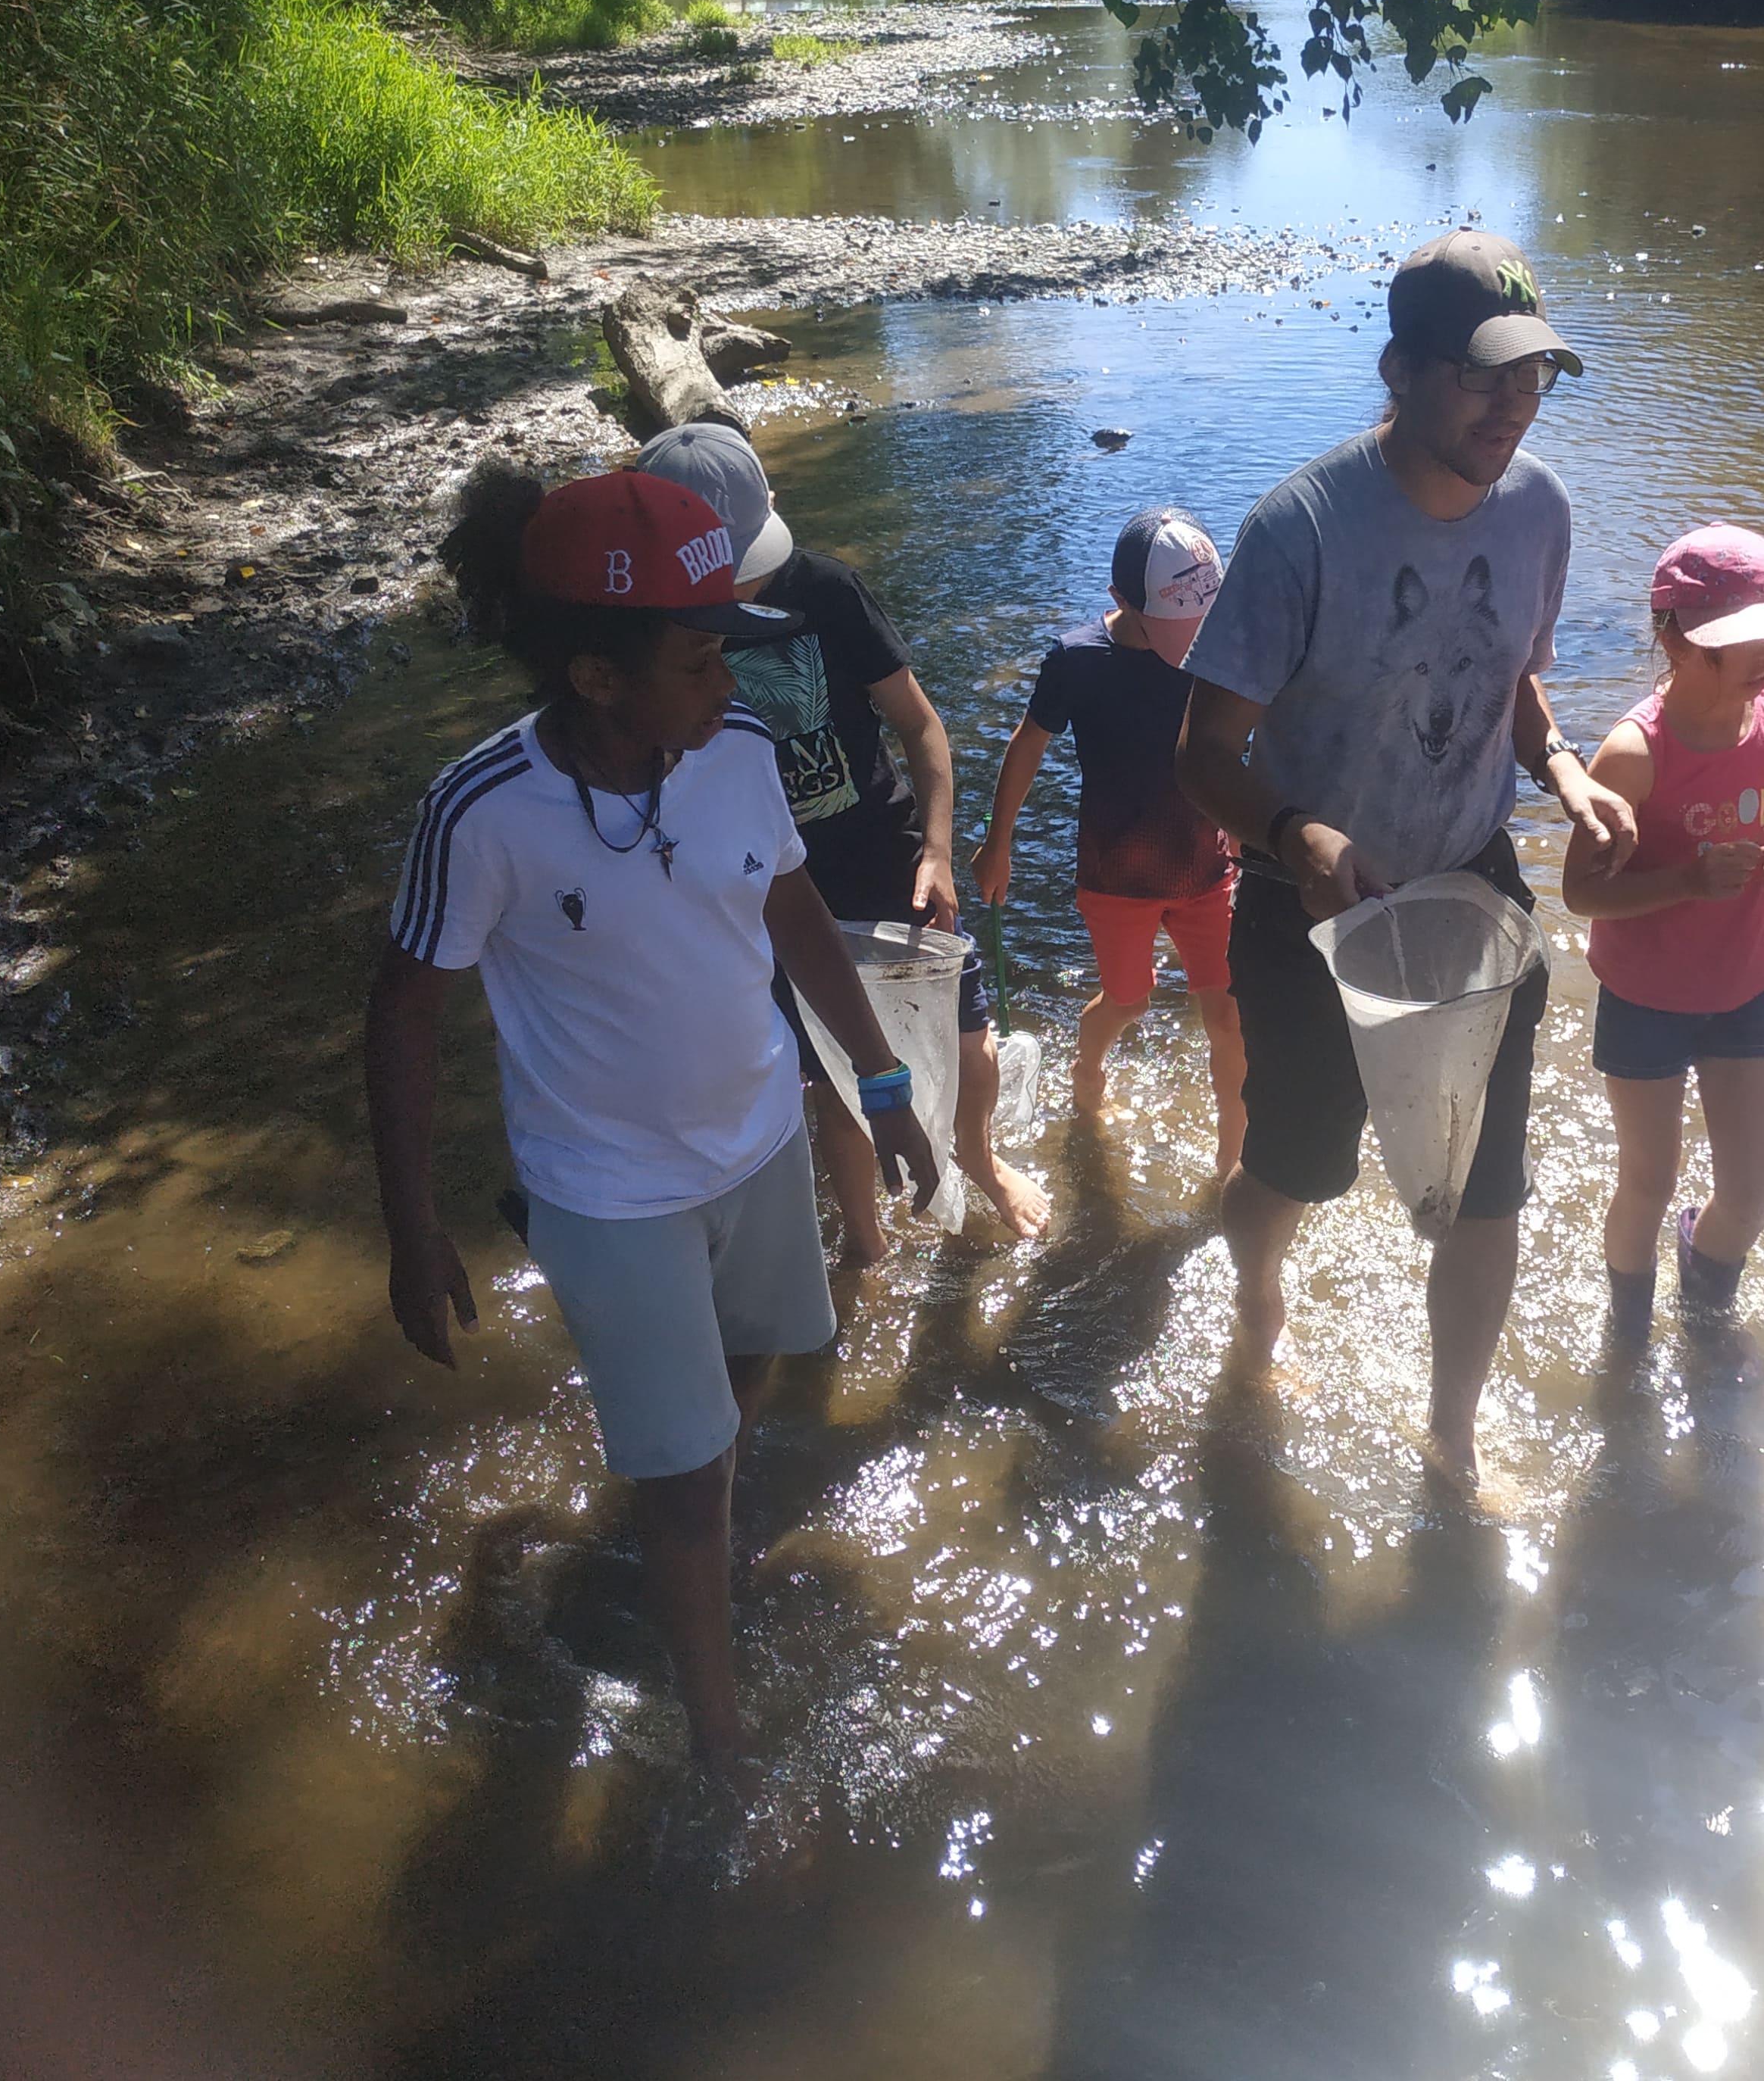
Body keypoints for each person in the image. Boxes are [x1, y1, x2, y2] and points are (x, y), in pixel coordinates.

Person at [364, 466, 941, 1777]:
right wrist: (414, 1230)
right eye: (699, 662)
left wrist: (882, 1081)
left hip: (760, 1141)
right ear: (597, 678)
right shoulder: (482, 812)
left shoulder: (733, 755)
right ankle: (722, 1745)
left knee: (747, 1384)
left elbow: (792, 911)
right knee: (689, 1486)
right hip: (608, 1192)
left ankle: (688, 1504)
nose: (730, 688)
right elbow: (402, 1016)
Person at [1177, 226, 1638, 1488]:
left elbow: (1516, 684)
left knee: (1488, 1189)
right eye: (1484, 375)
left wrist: (1568, 771)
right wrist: (1294, 830)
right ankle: (1257, 1296)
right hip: (1308, 902)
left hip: (1471, 883)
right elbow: (1202, 750)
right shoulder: (1302, 530)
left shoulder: (1540, 503)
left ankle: (1449, 1430)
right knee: (1296, 1168)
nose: (1513, 404)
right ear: (1400, 372)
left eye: (1532, 375)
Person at [633, 420, 1051, 1257]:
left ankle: (978, 1154)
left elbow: (921, 728)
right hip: (765, 889)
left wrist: (936, 849)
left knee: (968, 1042)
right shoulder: (654, 636)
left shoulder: (825, 591)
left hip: (883, 856)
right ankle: (864, 1240)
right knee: (835, 1070)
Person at [1561, 526, 1764, 1353]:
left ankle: (1703, 1307)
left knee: (1751, 1191)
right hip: (1644, 996)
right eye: (1737, 641)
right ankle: (1628, 1327)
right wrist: (1683, 880)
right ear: (1673, 637)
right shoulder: (1635, 752)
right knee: (1648, 1177)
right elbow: (1578, 893)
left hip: (1746, 984)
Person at [973, 505, 1247, 1176]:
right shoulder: (1077, 661)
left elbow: (1244, 739)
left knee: (1229, 1017)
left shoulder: (1215, 642)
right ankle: (1087, 1068)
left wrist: (1251, 829)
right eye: (1173, 622)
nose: (1190, 638)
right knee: (1128, 999)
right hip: (1115, 877)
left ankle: (1234, 1167)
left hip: (1207, 867)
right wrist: (998, 844)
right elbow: (1029, 742)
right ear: (1121, 600)